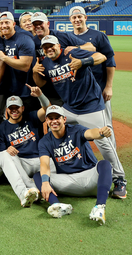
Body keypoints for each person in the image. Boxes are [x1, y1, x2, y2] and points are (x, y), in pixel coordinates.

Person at [33, 35, 127, 199]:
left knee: (103, 142)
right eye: (46, 47)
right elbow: (40, 83)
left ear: (58, 45)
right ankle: (56, 165)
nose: (49, 49)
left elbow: (101, 56)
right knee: (52, 125)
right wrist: (35, 72)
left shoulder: (72, 53)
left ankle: (119, 179)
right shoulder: (46, 62)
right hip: (69, 109)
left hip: (90, 106)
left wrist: (83, 62)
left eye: (52, 46)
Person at [33, 105, 114, 225]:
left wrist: (101, 133)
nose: (54, 121)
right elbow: (44, 163)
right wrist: (45, 182)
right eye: (50, 118)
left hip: (90, 179)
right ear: (47, 121)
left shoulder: (76, 130)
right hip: (68, 181)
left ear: (64, 119)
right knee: (38, 176)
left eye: (57, 118)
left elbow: (91, 133)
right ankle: (57, 205)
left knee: (105, 164)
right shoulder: (45, 141)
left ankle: (99, 207)